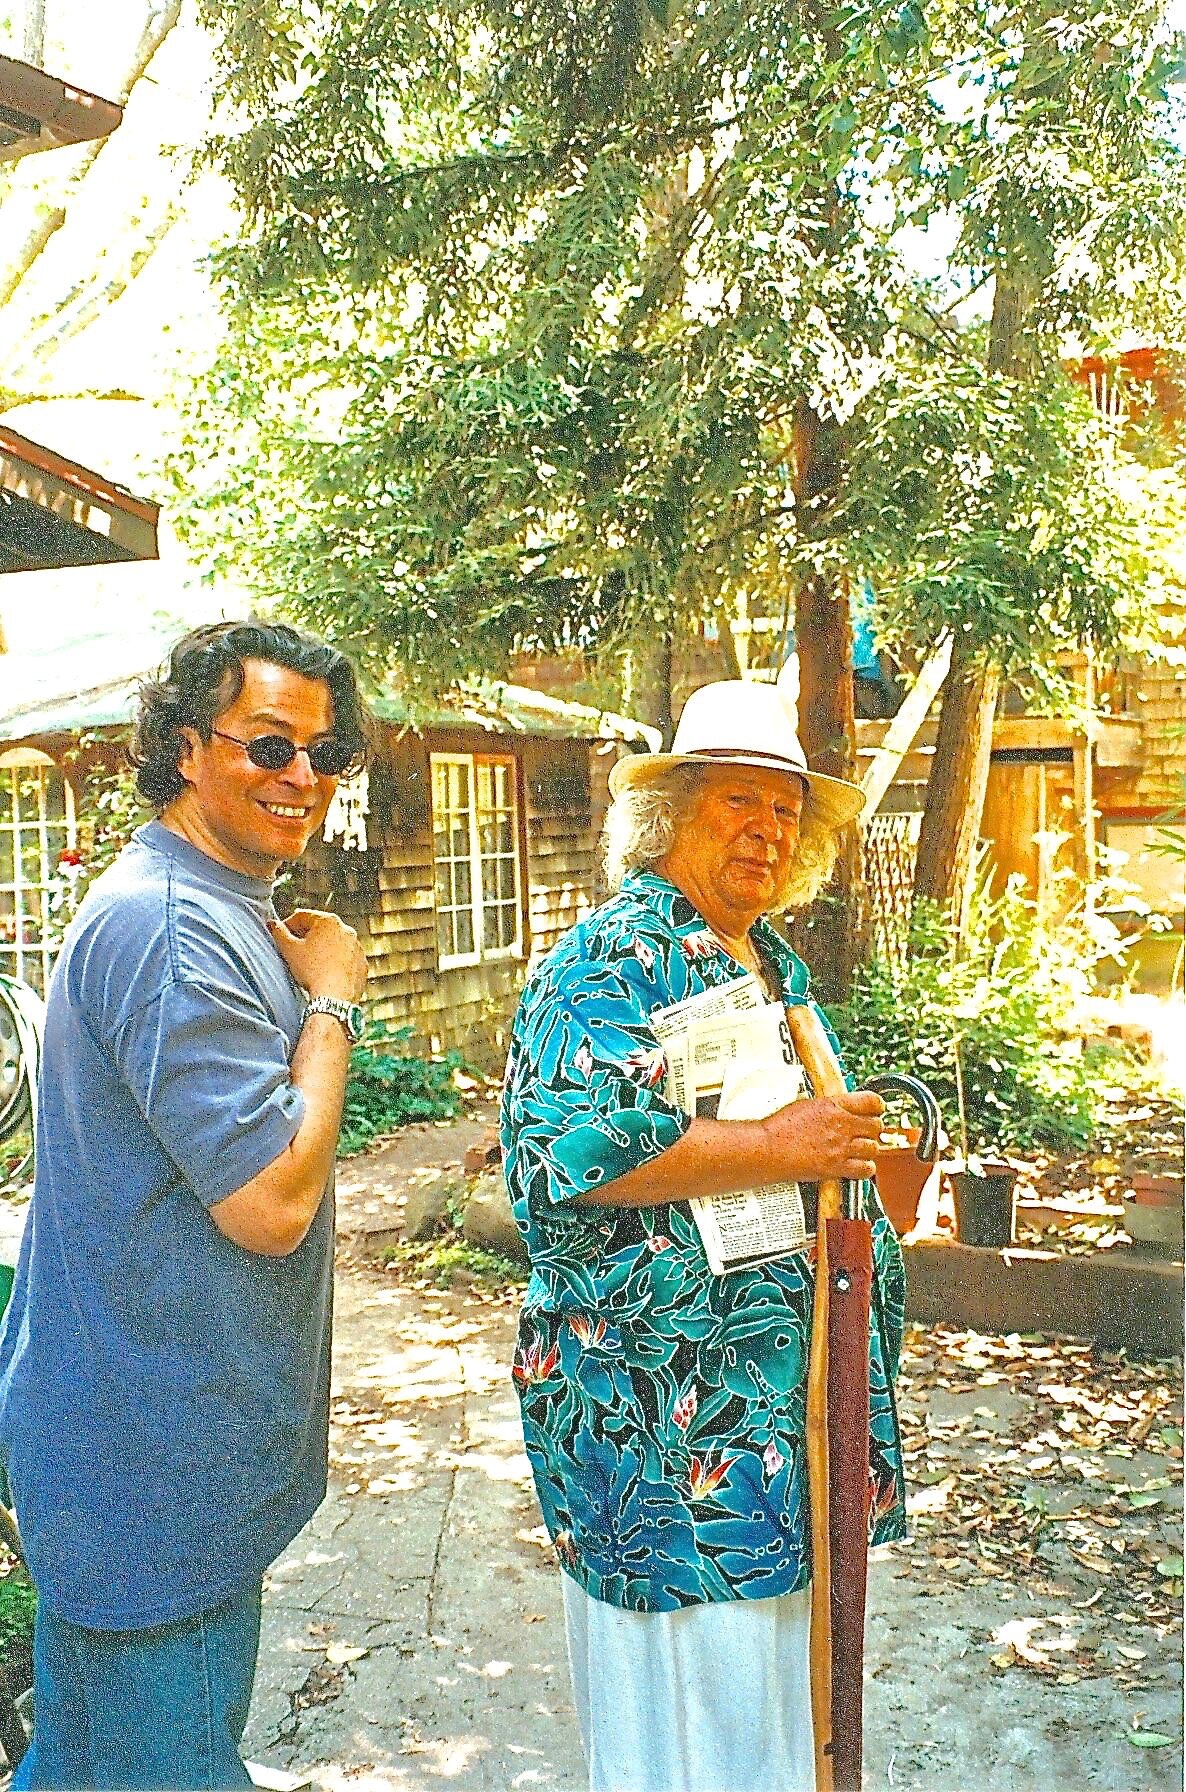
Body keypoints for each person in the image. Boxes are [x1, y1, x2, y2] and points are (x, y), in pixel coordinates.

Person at [501, 679, 907, 1792]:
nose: (767, 830)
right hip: (659, 1428)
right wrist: (786, 1143)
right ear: (672, 811)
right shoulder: (610, 959)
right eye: (740, 801)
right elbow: (563, 1154)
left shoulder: (764, 960)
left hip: (765, 1424)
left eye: (786, 812)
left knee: (763, 1728)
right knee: (680, 1732)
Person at [0, 620, 371, 1790]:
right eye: (269, 746)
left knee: (89, 1763)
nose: (301, 777)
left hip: (158, 1455)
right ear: (181, 746)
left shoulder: (214, 902)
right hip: (148, 1472)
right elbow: (269, 1202)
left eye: (324, 750)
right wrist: (336, 1004)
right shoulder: (168, 928)